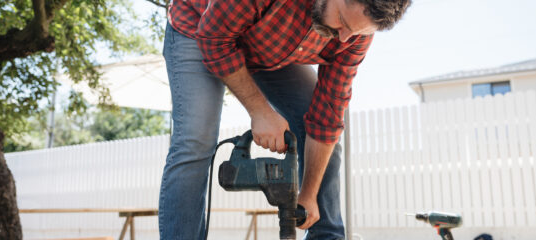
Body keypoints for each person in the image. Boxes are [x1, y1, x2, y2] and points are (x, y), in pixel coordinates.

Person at [159, 0, 411, 239]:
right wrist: (260, 111)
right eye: (342, 21)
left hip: (270, 46)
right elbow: (214, 38)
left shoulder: (354, 36)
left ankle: (326, 236)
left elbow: (327, 117)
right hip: (199, 27)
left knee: (325, 138)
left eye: (355, 32)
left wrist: (309, 194)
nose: (344, 37)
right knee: (196, 140)